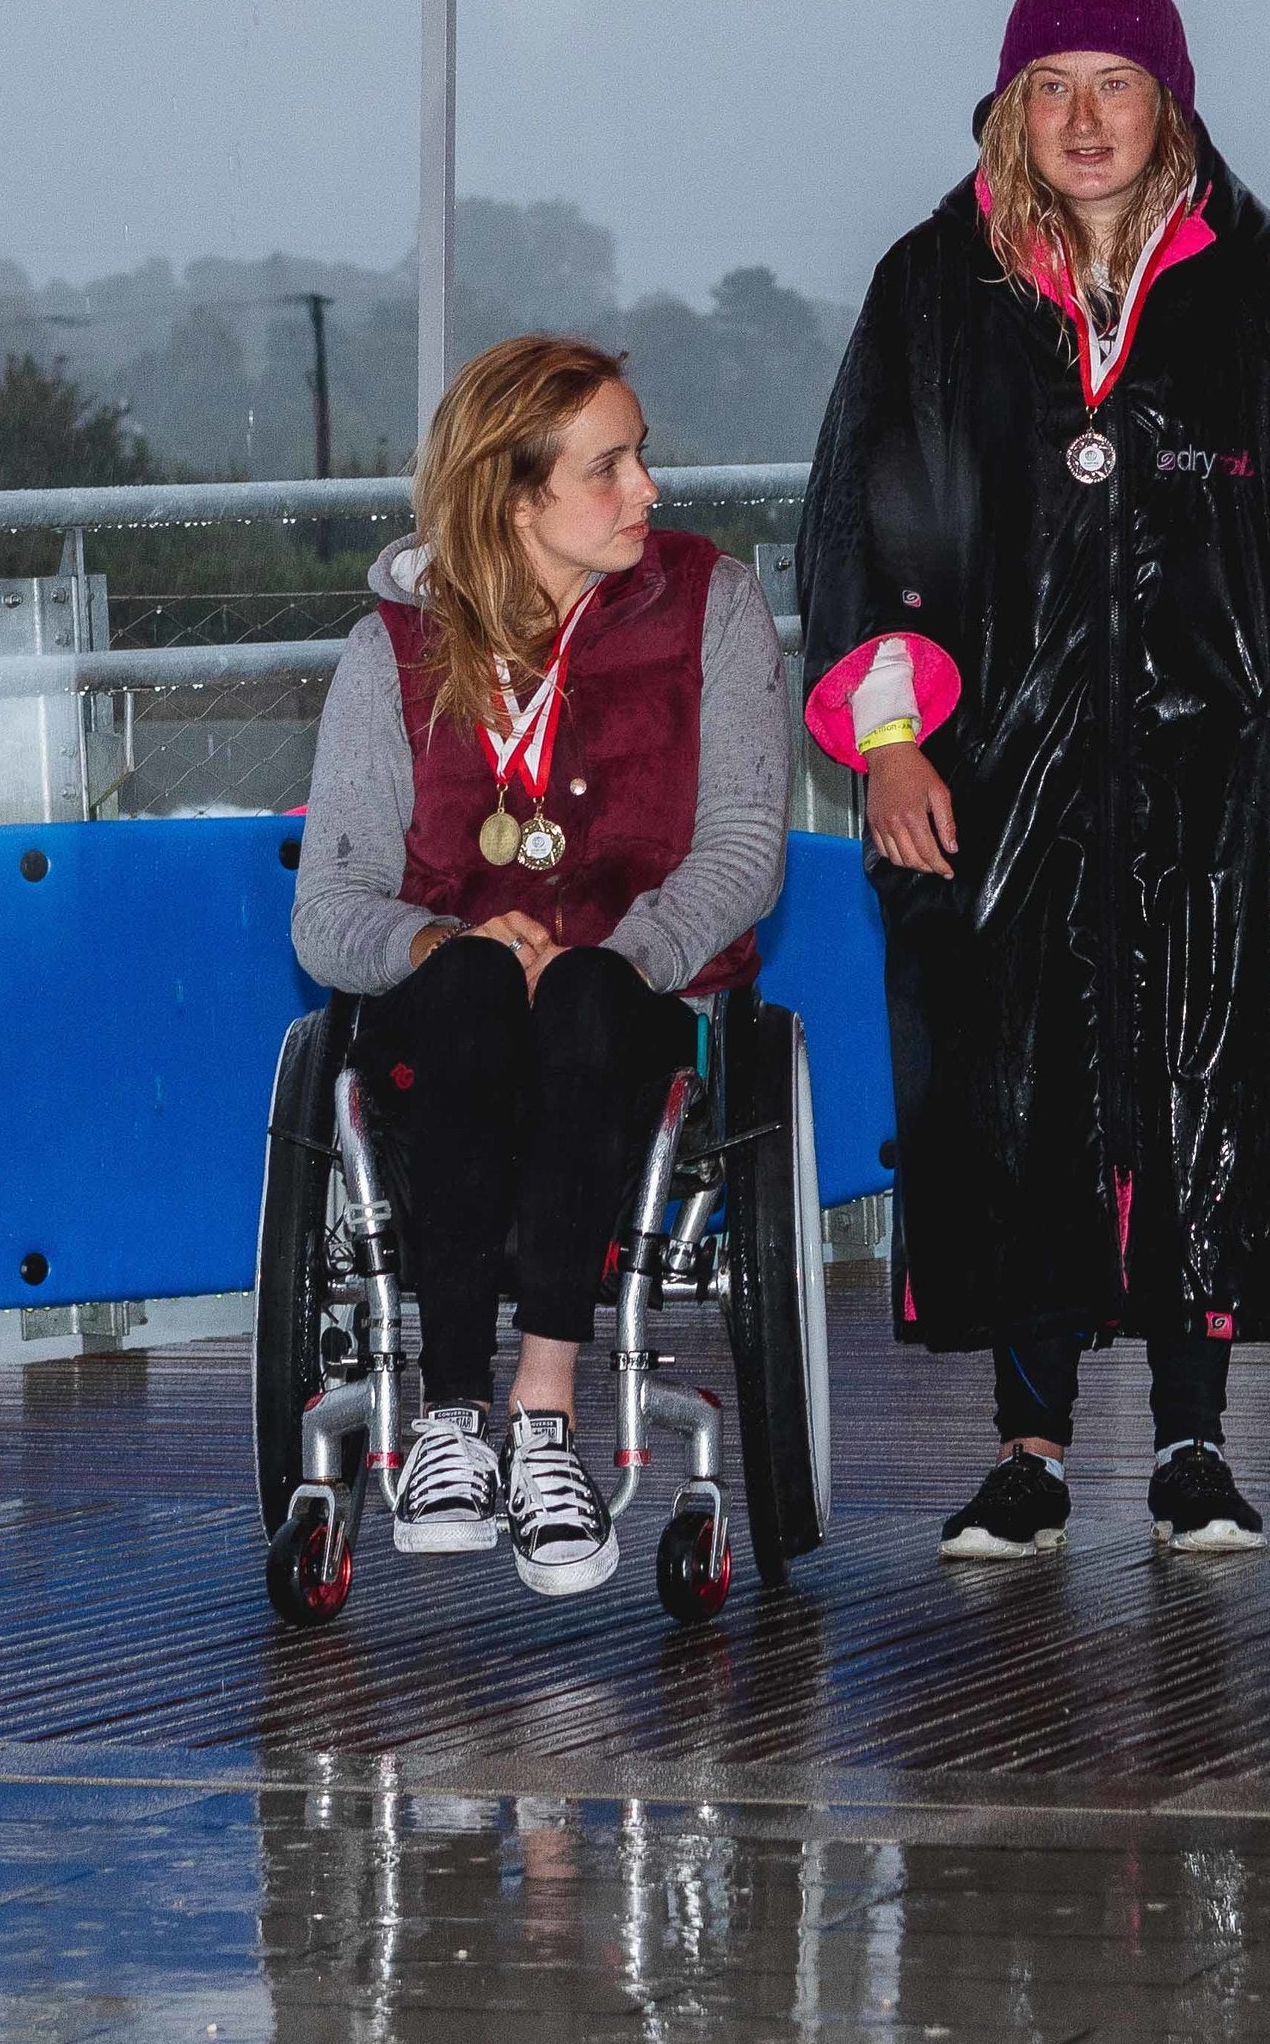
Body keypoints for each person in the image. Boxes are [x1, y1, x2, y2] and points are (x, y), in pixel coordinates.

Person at [798, 0, 1270, 1564]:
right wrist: (887, 745)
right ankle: (1025, 1449)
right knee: (1013, 1102)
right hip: (992, 778)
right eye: (1053, 86)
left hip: (1211, 781)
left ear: (1172, 101)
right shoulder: (931, 293)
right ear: (1008, 105)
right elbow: (860, 539)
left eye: (1118, 84)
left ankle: (1191, 1446)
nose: (1086, 119)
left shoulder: (1255, 287)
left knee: (1202, 1090)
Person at [291, 333, 790, 1600]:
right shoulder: (390, 650)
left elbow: (742, 845)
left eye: (641, 458)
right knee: (461, 986)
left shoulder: (708, 608)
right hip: (443, 1045)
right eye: (609, 467)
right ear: (517, 499)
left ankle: (545, 1416)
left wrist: (615, 957)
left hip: (626, 1021)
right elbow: (328, 906)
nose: (647, 491)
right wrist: (435, 941)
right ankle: (451, 1417)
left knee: (573, 997)